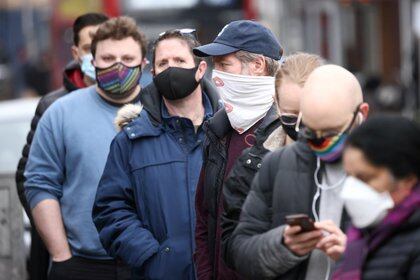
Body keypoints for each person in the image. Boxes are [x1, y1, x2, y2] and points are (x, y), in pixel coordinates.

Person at [24, 16, 147, 280]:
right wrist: (61, 256)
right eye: (108, 58)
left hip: (152, 260)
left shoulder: (162, 111)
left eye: (128, 58)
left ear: (143, 64)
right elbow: (40, 184)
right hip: (84, 264)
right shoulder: (60, 113)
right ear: (92, 62)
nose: (118, 65)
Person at [92, 29, 220, 279]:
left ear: (200, 68)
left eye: (180, 61)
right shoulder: (130, 141)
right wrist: (152, 257)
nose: (171, 69)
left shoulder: (226, 132)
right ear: (153, 73)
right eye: (163, 63)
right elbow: (110, 209)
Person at [228, 64, 369, 279]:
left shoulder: (389, 172)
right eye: (311, 131)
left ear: (361, 114)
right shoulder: (276, 164)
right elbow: (239, 251)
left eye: (331, 132)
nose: (321, 141)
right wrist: (283, 244)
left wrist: (354, 255)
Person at [15, 12, 108, 280]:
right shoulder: (54, 107)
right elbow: (30, 178)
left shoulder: (134, 102)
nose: (99, 55)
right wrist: (59, 234)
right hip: (73, 252)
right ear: (76, 53)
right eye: (91, 48)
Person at [192, 20, 283, 280]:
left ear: (257, 65)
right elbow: (204, 215)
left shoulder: (287, 132)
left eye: (223, 65)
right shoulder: (218, 130)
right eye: (214, 66)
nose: (215, 76)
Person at [221, 52, 325, 272]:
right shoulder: (253, 163)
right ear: (276, 103)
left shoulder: (352, 161)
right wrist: (281, 246)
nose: (299, 127)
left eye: (308, 115)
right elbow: (232, 247)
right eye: (290, 115)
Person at [333, 115, 420, 280]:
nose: (352, 189)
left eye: (365, 178)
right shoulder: (360, 235)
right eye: (349, 176)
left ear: (408, 179)